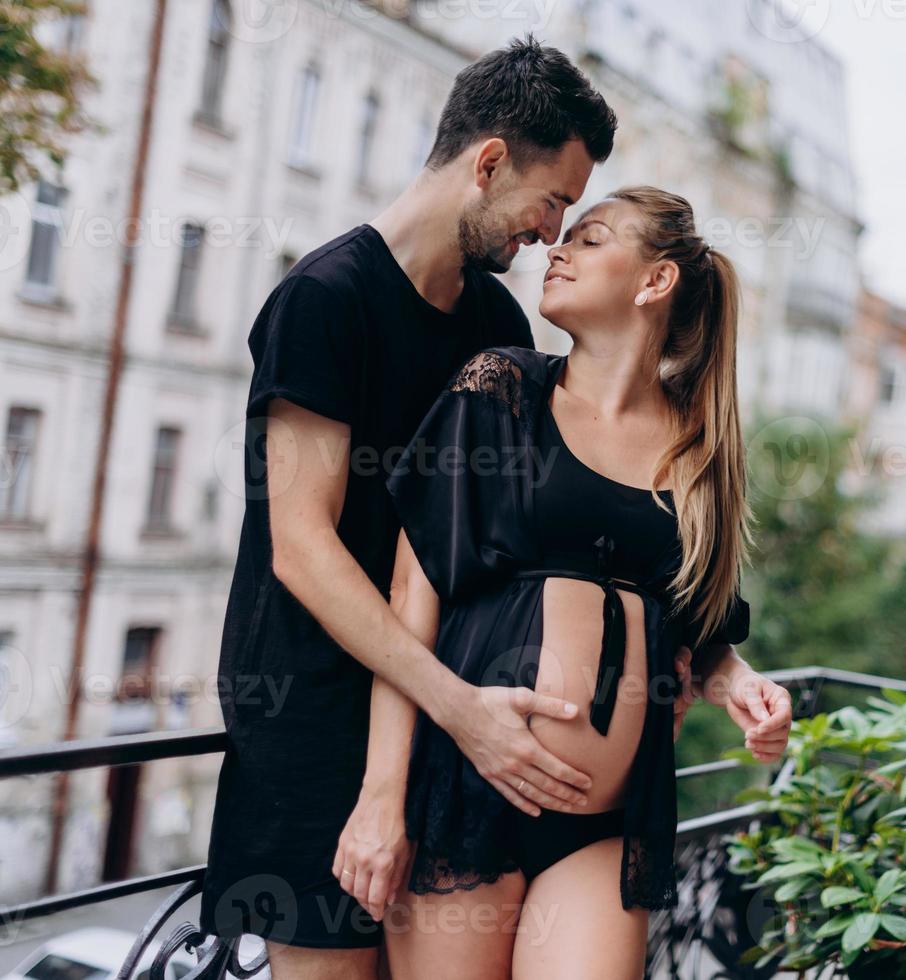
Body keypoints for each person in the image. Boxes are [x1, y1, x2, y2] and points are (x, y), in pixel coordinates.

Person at [200, 38, 622, 980]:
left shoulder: (497, 326)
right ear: (487, 164)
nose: (553, 234)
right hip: (312, 720)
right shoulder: (323, 300)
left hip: (448, 727)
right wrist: (459, 708)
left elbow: (540, 527)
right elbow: (301, 549)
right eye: (552, 202)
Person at [344, 187, 794, 980]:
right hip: (467, 791)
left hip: (606, 824)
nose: (557, 249)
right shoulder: (500, 390)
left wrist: (743, 684)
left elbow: (698, 628)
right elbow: (411, 601)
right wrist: (381, 797)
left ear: (653, 283)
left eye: (588, 239)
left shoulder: (698, 452)